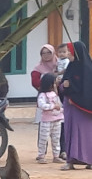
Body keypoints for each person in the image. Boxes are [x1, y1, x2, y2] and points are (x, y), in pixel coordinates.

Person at [60, 41, 92, 170]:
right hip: (70, 106)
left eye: (69, 51)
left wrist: (71, 87)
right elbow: (64, 85)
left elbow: (88, 90)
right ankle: (70, 160)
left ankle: (89, 160)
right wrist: (63, 86)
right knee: (70, 132)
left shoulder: (88, 69)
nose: (67, 54)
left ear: (76, 52)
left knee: (86, 134)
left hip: (84, 108)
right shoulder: (70, 67)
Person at [35, 73, 64, 164]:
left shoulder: (55, 95)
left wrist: (61, 110)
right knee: (43, 139)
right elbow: (42, 105)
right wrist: (53, 106)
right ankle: (41, 156)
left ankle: (56, 156)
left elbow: (60, 106)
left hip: (57, 119)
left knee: (56, 139)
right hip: (46, 121)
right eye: (54, 83)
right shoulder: (42, 95)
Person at [31, 44, 57, 124]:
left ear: (53, 53)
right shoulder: (38, 67)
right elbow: (35, 82)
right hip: (45, 97)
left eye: (48, 52)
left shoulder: (60, 64)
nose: (46, 55)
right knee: (44, 124)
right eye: (43, 53)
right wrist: (48, 87)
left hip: (60, 95)